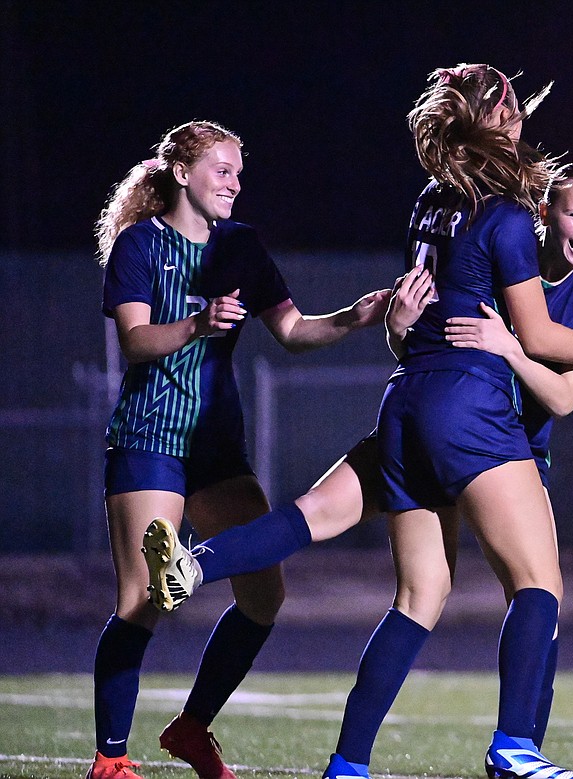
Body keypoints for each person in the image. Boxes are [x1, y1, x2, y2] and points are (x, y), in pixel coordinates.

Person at [143, 67, 573, 779]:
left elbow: (426, 314)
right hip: (468, 408)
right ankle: (514, 747)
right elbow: (534, 333)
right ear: (493, 122)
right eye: (513, 111)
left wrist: (407, 327)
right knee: (538, 584)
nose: (521, 123)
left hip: (407, 396)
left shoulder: (430, 201)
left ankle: (335, 746)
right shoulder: (502, 214)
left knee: (413, 590)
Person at [89, 120, 390, 779]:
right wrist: (198, 322)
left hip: (217, 446)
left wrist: (355, 316)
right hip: (150, 436)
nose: (235, 182)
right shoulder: (142, 245)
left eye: (238, 172)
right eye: (221, 169)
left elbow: (292, 330)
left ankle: (192, 726)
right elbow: (136, 341)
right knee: (143, 597)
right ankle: (110, 759)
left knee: (264, 594)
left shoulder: (242, 247)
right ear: (181, 173)